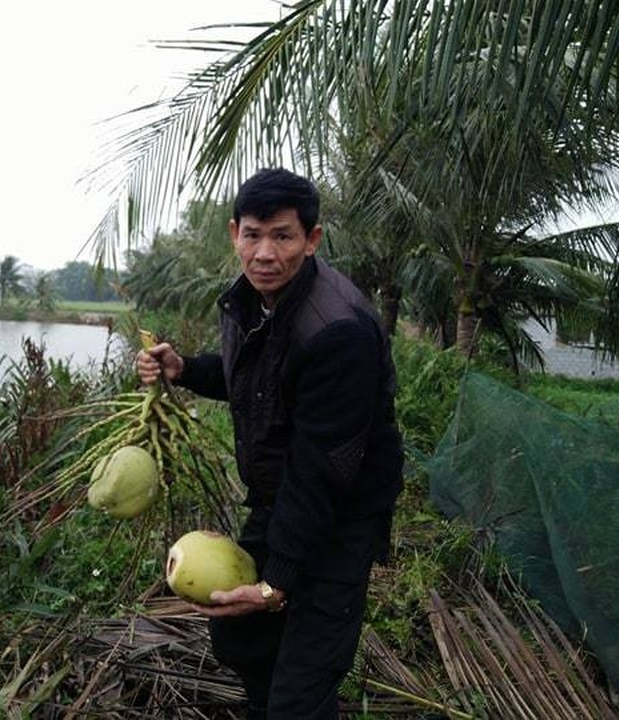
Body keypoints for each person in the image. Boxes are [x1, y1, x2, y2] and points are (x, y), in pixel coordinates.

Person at [136, 168, 404, 719]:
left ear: (311, 239)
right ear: (234, 232)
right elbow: (251, 383)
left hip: (340, 514)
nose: (264, 252)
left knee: (302, 688)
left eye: (282, 236)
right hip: (279, 498)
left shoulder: (338, 332)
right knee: (242, 642)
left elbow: (323, 469)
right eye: (253, 235)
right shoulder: (252, 300)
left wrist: (276, 583)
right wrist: (185, 368)